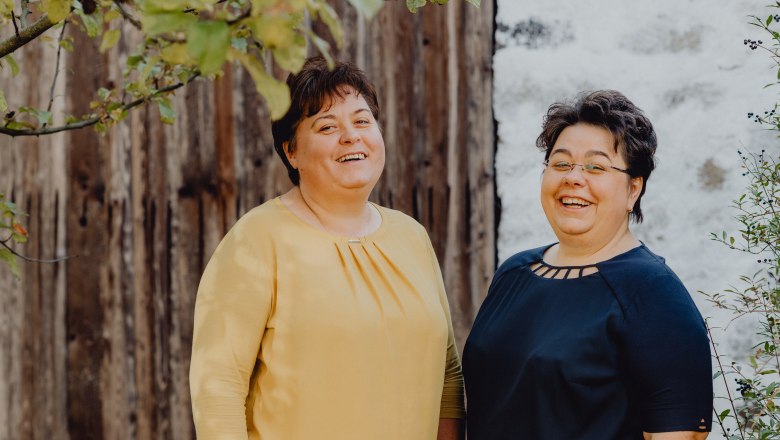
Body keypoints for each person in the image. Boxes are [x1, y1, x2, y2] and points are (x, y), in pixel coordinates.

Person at [189, 56, 465, 440]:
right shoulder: (256, 240)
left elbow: (447, 376)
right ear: (292, 152)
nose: (351, 136)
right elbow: (218, 384)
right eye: (327, 126)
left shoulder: (411, 237)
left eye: (362, 121)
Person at [462, 90, 712, 440]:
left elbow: (679, 434)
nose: (574, 177)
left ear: (633, 190)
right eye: (561, 163)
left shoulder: (652, 293)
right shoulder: (514, 273)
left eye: (596, 166)